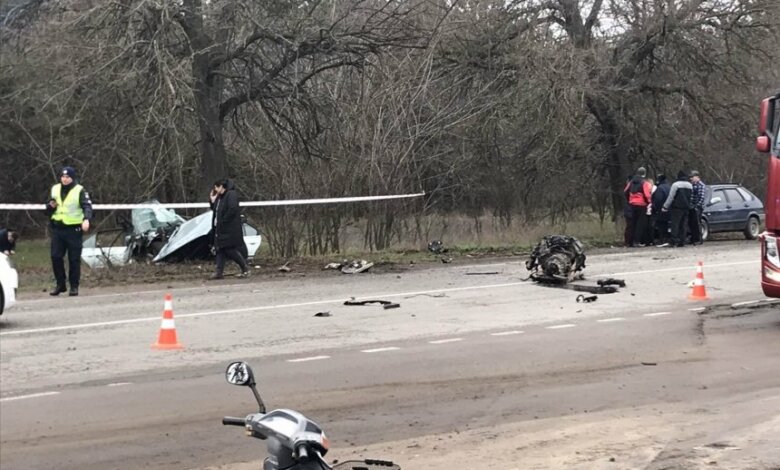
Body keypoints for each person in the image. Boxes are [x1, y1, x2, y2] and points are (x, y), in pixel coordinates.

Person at [45, 166, 93, 296]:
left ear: (72, 178)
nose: (65, 179)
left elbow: (87, 206)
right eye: (63, 177)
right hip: (58, 229)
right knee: (55, 257)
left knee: (74, 259)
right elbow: (49, 207)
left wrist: (86, 219)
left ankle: (74, 286)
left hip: (74, 230)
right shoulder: (55, 189)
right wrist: (50, 206)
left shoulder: (79, 190)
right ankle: (61, 284)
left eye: (67, 177)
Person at [208, 179, 250, 280]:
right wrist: (212, 202)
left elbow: (232, 209)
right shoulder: (220, 198)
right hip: (220, 228)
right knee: (220, 249)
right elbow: (216, 210)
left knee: (229, 249)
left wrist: (223, 221)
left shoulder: (231, 195)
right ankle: (219, 272)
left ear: (221, 186)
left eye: (216, 187)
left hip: (229, 228)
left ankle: (245, 268)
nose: (215, 190)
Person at [661, 171, 693, 248]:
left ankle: (674, 240)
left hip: (677, 207)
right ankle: (682, 241)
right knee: (683, 224)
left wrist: (665, 206)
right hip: (686, 207)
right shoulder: (690, 185)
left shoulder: (675, 185)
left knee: (675, 224)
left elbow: (671, 197)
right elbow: (691, 197)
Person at [623, 167, 653, 247]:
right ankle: (637, 241)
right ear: (644, 174)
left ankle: (630, 242)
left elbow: (625, 191)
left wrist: (629, 200)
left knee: (632, 223)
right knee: (640, 224)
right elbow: (647, 195)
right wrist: (648, 202)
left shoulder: (631, 182)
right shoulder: (644, 183)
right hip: (642, 205)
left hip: (632, 204)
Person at [650, 174, 671, 245]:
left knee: (661, 225)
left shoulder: (660, 188)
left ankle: (662, 240)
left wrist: (654, 208)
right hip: (669, 209)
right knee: (667, 225)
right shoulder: (669, 187)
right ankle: (667, 239)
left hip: (661, 210)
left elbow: (658, 199)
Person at [688, 170, 706, 245]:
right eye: (690, 177)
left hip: (697, 207)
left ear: (697, 177)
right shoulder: (692, 185)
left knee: (697, 223)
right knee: (692, 223)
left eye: (692, 177)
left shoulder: (701, 185)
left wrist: (697, 206)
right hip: (691, 207)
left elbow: (701, 197)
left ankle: (699, 239)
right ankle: (693, 238)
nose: (691, 178)